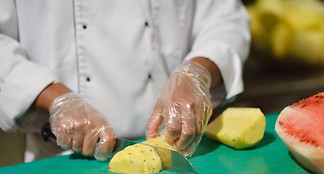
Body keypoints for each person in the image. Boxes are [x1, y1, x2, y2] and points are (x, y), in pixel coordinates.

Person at [0, 1, 250, 162]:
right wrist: (55, 98)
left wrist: (197, 71)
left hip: (176, 145)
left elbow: (226, 20)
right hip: (62, 159)